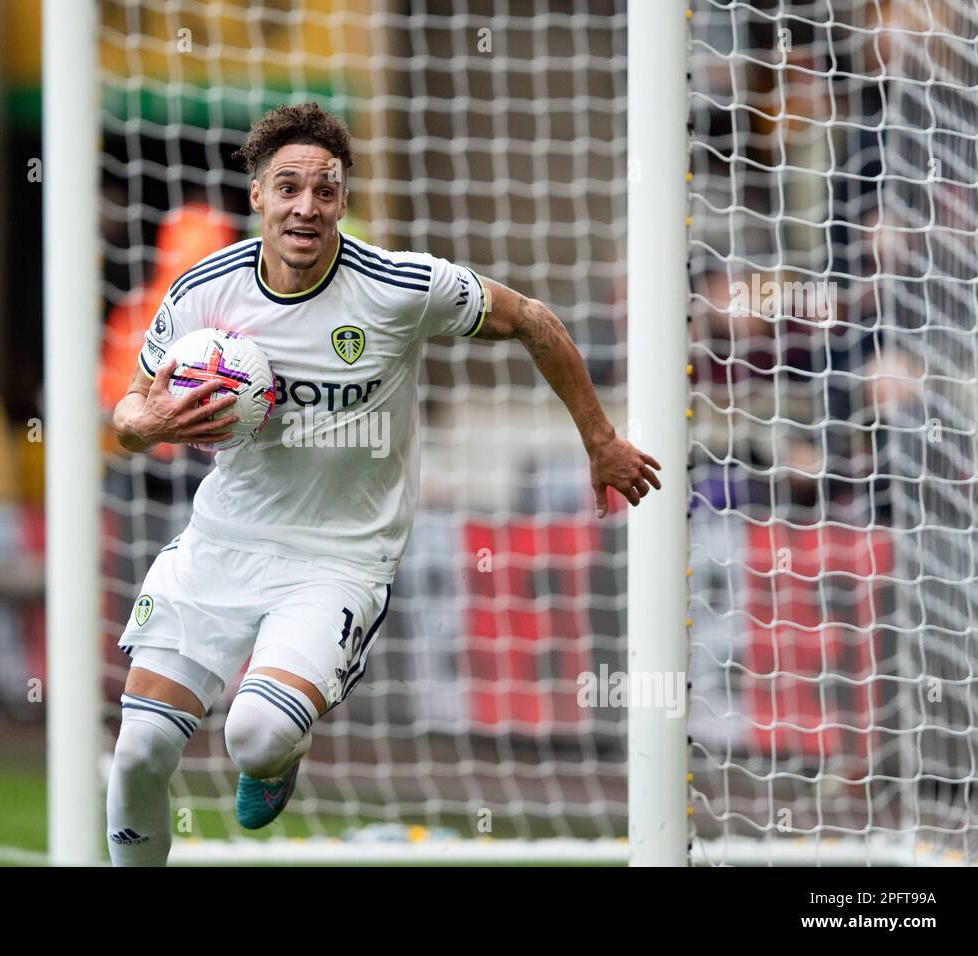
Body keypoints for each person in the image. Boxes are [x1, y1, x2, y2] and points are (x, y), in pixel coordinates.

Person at [106, 103, 661, 866]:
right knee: (137, 750)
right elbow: (129, 412)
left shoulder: (398, 287)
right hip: (221, 544)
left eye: (326, 191)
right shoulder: (205, 291)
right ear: (259, 195)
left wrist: (600, 440)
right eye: (289, 187)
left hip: (337, 562)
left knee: (255, 734)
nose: (308, 206)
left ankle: (281, 751)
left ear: (344, 199)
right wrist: (155, 423)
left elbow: (533, 318)